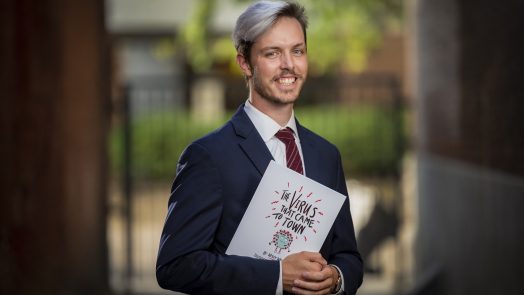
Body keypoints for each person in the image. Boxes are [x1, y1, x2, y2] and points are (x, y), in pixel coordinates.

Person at [156, 1, 363, 294]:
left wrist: (336, 277)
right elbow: (175, 265)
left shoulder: (326, 155)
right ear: (244, 62)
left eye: (297, 51)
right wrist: (277, 276)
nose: (289, 64)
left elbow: (348, 255)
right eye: (272, 53)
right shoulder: (208, 156)